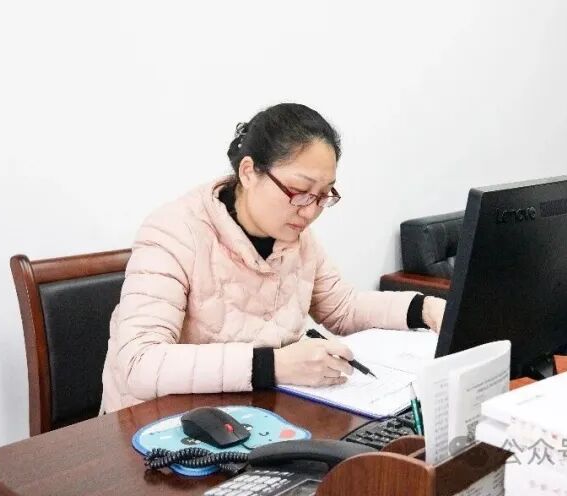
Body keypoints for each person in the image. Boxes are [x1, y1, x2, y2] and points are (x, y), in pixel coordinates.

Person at [100, 103, 446, 413]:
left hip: (251, 413)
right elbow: (139, 363)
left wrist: (426, 309)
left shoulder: (297, 237)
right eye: (299, 192)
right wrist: (275, 365)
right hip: (154, 427)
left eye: (323, 196)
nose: (309, 212)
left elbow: (343, 307)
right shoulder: (174, 232)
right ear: (249, 172)